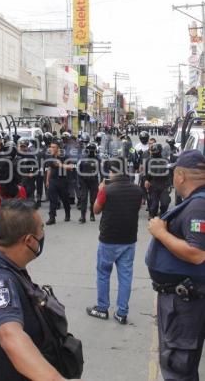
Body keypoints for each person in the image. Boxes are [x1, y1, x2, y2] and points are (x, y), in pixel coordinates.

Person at [0, 199, 83, 381]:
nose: (43, 234)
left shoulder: (0, 266)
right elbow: (10, 335)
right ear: (28, 240)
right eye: (41, 229)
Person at [146, 150, 205, 381]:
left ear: (180, 176)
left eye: (173, 173)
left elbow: (197, 253)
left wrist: (161, 233)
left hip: (186, 303)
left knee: (178, 367)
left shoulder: (197, 207)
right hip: (185, 298)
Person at [87, 158, 142, 324]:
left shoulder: (107, 190)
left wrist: (100, 190)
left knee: (103, 273)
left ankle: (102, 308)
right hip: (129, 239)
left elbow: (95, 210)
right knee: (125, 276)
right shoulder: (137, 190)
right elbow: (137, 208)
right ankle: (122, 312)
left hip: (108, 239)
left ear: (112, 171)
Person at [45, 139, 73, 225]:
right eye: (51, 147)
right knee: (52, 199)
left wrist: (62, 165)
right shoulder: (50, 156)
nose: (51, 149)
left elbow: (71, 167)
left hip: (63, 180)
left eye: (54, 147)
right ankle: (52, 217)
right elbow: (49, 168)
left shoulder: (65, 156)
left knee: (65, 199)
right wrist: (47, 180)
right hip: (53, 180)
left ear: (58, 148)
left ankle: (67, 213)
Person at [144, 143, 171, 219]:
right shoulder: (148, 161)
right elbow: (146, 173)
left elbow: (170, 173)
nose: (154, 154)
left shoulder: (166, 161)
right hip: (153, 183)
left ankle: (163, 213)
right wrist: (146, 180)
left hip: (164, 184)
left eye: (156, 152)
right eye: (153, 152)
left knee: (165, 202)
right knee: (153, 203)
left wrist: (169, 184)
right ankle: (152, 214)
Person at [78, 142, 100, 223]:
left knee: (93, 199)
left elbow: (101, 171)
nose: (91, 151)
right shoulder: (82, 158)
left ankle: (92, 214)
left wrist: (102, 182)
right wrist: (79, 182)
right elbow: (78, 170)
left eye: (92, 150)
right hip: (84, 182)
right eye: (89, 150)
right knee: (83, 199)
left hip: (94, 181)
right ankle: (82, 216)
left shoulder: (98, 158)